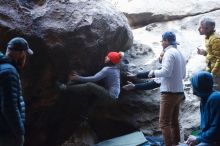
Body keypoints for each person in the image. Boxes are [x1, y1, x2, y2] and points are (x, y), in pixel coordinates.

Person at [147, 31, 186, 146]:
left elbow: (166, 72)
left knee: (164, 123)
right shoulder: (179, 53)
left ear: (166, 41)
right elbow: (182, 75)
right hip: (179, 92)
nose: (161, 43)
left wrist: (152, 72)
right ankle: (177, 143)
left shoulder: (169, 53)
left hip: (169, 92)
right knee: (174, 122)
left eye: (162, 41)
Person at [0, 37, 33, 146]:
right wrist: (20, 133)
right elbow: (9, 107)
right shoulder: (10, 72)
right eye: (24, 53)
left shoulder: (2, 67)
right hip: (7, 133)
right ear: (20, 53)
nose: (25, 57)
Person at [57, 51, 124, 100]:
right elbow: (118, 59)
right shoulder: (115, 68)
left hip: (110, 96)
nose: (106, 57)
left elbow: (93, 79)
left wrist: (77, 78)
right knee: (90, 92)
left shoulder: (108, 69)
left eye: (108, 56)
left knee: (90, 85)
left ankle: (65, 88)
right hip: (112, 95)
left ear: (110, 60)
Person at [186, 71, 220, 146]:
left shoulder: (216, 98)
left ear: (200, 85)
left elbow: (217, 129)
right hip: (210, 138)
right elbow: (206, 127)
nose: (192, 89)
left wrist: (198, 139)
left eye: (193, 85)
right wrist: (198, 137)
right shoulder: (204, 99)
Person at [197, 17, 220, 90]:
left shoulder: (215, 39)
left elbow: (219, 58)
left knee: (215, 92)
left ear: (208, 29)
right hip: (211, 70)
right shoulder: (208, 37)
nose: (198, 29)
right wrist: (204, 53)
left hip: (217, 74)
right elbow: (212, 55)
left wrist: (213, 73)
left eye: (201, 27)